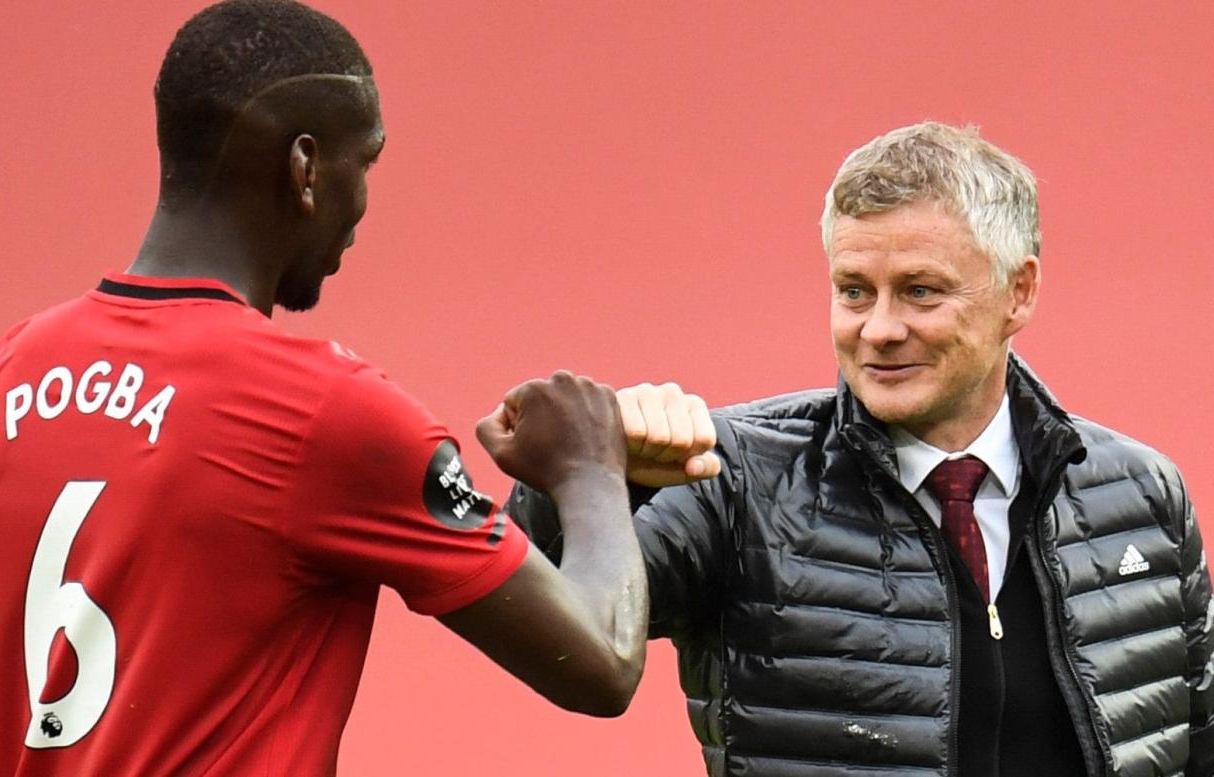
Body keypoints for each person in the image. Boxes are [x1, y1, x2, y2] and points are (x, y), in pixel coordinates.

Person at [0, 2, 717, 775]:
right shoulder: (325, 412)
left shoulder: (4, 373)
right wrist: (589, 467)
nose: (360, 208)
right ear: (304, 167)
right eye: (366, 163)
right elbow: (601, 660)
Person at [512, 122, 1214, 776]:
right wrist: (591, 477)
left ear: (1018, 292)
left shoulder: (1142, 494)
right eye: (854, 291)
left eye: (919, 292)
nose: (878, 328)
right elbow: (543, 621)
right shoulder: (726, 476)